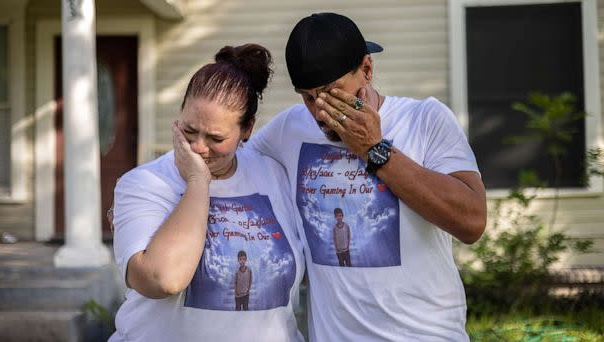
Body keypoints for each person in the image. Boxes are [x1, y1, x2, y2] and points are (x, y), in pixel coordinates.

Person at [248, 12, 487, 341]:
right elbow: (232, 168)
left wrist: (375, 150)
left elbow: (472, 221)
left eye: (332, 93)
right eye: (308, 97)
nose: (320, 112)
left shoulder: (424, 119)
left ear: (367, 70)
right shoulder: (289, 129)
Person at [109, 44, 305, 342]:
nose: (198, 148)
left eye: (216, 138)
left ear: (248, 130)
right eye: (189, 131)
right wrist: (198, 182)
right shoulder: (143, 184)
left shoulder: (274, 175)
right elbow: (164, 279)